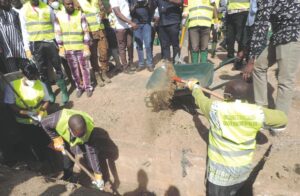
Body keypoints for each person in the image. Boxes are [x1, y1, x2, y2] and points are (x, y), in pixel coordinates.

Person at [186, 79, 287, 196]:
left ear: (227, 95)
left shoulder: (215, 109)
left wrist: (195, 87)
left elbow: (201, 100)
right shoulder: (256, 113)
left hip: (220, 177)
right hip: (242, 174)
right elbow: (282, 118)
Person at [243, 1, 300, 125]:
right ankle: (262, 110)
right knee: (259, 67)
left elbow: (261, 27)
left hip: (292, 34)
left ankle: (278, 122)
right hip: (278, 33)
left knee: (285, 80)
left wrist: (251, 60)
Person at [40, 108, 105, 190]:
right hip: (63, 136)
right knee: (67, 159)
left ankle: (74, 178)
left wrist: (98, 175)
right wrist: (57, 139)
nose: (82, 137)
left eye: (83, 135)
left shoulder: (89, 131)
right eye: (79, 136)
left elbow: (92, 153)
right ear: (70, 130)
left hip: (74, 139)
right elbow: (43, 123)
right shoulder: (56, 120)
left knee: (81, 155)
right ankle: (67, 178)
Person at [19, 0, 69, 104]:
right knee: (42, 71)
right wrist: (27, 49)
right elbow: (24, 31)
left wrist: (59, 43)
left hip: (50, 42)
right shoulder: (23, 11)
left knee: (58, 67)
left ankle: (64, 92)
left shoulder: (47, 8)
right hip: (35, 44)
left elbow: (55, 25)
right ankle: (50, 94)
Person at [4, 61, 51, 161]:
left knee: (47, 140)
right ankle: (41, 161)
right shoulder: (12, 87)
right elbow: (11, 105)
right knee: (34, 142)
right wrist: (28, 114)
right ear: (22, 74)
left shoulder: (41, 84)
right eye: (30, 78)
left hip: (42, 119)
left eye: (35, 77)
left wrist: (41, 113)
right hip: (24, 122)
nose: (33, 80)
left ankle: (52, 158)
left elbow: (47, 101)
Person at [54, 0, 93, 98]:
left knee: (85, 68)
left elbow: (86, 31)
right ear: (64, 4)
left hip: (81, 47)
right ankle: (79, 87)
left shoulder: (80, 14)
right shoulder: (59, 16)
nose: (71, 5)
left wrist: (86, 46)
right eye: (68, 4)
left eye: (72, 3)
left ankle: (88, 87)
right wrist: (61, 47)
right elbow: (58, 33)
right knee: (74, 70)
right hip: (68, 49)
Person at [76, 0, 111, 87]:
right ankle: (97, 75)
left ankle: (104, 72)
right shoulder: (78, 2)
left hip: (100, 30)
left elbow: (103, 10)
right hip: (89, 33)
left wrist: (102, 13)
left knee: (104, 52)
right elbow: (77, 18)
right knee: (93, 56)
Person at [110, 0, 137, 74]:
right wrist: (131, 22)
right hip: (120, 27)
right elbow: (118, 13)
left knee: (130, 44)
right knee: (122, 47)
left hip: (128, 26)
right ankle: (125, 67)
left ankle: (131, 63)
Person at [0, 0, 27, 73]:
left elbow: (23, 29)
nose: (4, 1)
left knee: (27, 70)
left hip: (20, 48)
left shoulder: (15, 12)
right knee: (13, 73)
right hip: (6, 50)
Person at [129, 0, 154, 72]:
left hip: (146, 24)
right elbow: (130, 12)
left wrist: (148, 6)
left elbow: (152, 10)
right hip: (136, 24)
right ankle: (141, 64)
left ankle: (149, 64)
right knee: (139, 45)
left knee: (148, 44)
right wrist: (134, 7)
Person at [225, 0, 249, 70]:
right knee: (230, 37)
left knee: (240, 38)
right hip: (230, 12)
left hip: (242, 11)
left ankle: (239, 60)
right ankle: (230, 57)